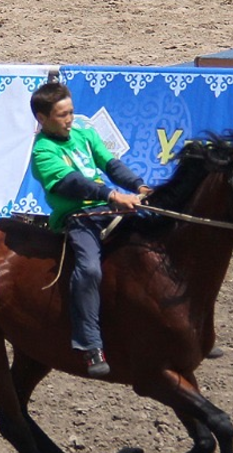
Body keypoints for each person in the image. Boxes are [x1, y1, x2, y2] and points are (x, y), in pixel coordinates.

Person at [28, 81, 150, 378]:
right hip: (78, 217)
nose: (70, 119)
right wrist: (112, 196)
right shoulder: (43, 151)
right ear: (42, 119)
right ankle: (90, 344)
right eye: (62, 115)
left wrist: (137, 185)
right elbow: (72, 184)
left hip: (108, 208)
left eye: (71, 111)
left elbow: (110, 164)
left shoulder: (83, 132)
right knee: (90, 270)